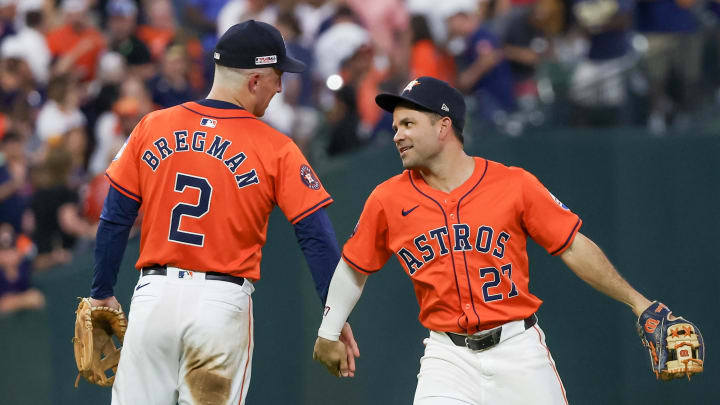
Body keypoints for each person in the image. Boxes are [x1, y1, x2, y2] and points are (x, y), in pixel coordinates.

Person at [312, 76, 670, 404]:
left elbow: (573, 246)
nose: (397, 135)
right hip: (447, 356)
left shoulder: (512, 184)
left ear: (443, 126)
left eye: (408, 124)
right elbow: (354, 268)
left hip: (518, 347)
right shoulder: (387, 199)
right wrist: (328, 331)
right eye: (395, 127)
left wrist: (639, 303)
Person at [86, 21, 358, 405]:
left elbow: (115, 217)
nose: (280, 87)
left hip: (152, 301)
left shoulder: (152, 125)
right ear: (254, 80)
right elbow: (316, 237)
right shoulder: (276, 147)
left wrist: (101, 293)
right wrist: (334, 319)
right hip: (220, 305)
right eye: (277, 76)